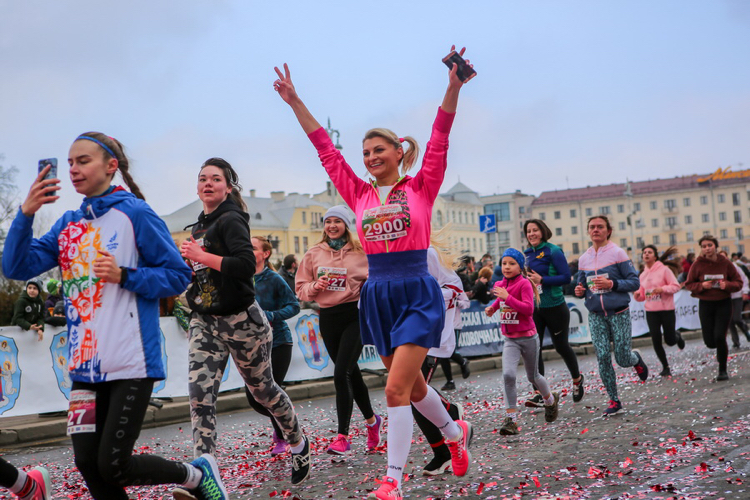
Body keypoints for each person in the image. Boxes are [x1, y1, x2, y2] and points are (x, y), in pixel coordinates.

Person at [274, 46, 473, 500]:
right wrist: (295, 102)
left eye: (377, 150)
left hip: (417, 293)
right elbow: (325, 150)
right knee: (415, 385)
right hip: (378, 295)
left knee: (395, 389)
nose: (369, 157)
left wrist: (452, 87)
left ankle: (393, 480)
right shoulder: (359, 195)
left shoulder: (422, 185)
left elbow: (440, 134)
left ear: (398, 152)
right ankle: (454, 431)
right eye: (364, 152)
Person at [2, 133, 226, 500]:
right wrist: (26, 214)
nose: (74, 168)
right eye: (70, 162)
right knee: (88, 464)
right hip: (84, 367)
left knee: (113, 464)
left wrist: (126, 275)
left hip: (132, 362)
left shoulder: (135, 214)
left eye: (83, 160)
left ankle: (196, 475)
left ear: (111, 166)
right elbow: (15, 266)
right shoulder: (67, 225)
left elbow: (176, 275)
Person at [179, 158, 310, 490]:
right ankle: (203, 473)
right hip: (206, 322)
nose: (208, 183)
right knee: (200, 395)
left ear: (227, 187)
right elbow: (204, 275)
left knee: (263, 390)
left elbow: (244, 264)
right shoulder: (199, 226)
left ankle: (297, 441)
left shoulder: (231, 219)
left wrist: (201, 256)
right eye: (202, 179)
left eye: (215, 179)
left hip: (242, 321)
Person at [296, 205, 382, 459]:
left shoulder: (361, 252)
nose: (332, 226)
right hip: (328, 317)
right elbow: (300, 289)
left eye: (338, 221)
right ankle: (372, 421)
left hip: (355, 315)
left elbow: (377, 279)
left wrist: (369, 285)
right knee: (351, 375)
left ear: (347, 225)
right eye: (328, 222)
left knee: (340, 373)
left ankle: (342, 436)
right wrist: (315, 285)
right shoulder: (313, 254)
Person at [574, 215, 648, 417]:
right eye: (592, 227)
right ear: (588, 231)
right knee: (603, 356)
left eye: (600, 227)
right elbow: (580, 286)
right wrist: (579, 291)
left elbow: (634, 283)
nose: (595, 230)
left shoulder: (618, 253)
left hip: (619, 313)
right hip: (596, 315)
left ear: (608, 231)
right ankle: (614, 400)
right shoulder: (584, 258)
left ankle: (636, 359)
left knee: (622, 357)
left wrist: (612, 284)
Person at [484, 248, 560, 435]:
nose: (507, 267)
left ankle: (550, 401)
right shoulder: (501, 284)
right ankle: (512, 420)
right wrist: (492, 308)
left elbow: (528, 309)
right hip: (510, 340)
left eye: (512, 263)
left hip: (528, 338)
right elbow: (500, 302)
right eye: (504, 263)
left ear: (520, 266)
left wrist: (507, 297)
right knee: (508, 376)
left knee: (533, 377)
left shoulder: (524, 284)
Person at [413, 244, 469, 475]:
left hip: (426, 333)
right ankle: (450, 410)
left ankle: (442, 453)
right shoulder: (385, 253)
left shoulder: (427, 252)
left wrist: (429, 296)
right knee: (411, 393)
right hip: (400, 333)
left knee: (412, 395)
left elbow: (455, 288)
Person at [245, 235, 301, 456]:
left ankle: (283, 437)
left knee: (272, 391)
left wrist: (270, 315)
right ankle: (288, 420)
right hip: (251, 345)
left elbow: (294, 306)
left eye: (252, 248)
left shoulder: (275, 279)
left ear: (265, 254)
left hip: (278, 342)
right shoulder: (242, 279)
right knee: (254, 397)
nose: (247, 251)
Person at [522, 219, 584, 406]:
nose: (531, 234)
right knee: (535, 349)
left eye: (535, 230)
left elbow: (566, 277)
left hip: (556, 307)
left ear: (543, 231)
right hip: (535, 309)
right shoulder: (526, 254)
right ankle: (540, 393)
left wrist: (542, 279)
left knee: (561, 346)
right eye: (528, 231)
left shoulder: (553, 251)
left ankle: (577, 380)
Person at [684, 237, 742, 380]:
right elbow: (689, 284)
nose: (707, 248)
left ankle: (722, 370)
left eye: (710, 245)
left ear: (715, 247)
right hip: (706, 304)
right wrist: (702, 286)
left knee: (719, 337)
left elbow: (738, 282)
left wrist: (727, 285)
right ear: (701, 249)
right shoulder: (697, 264)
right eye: (704, 246)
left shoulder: (725, 263)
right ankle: (717, 349)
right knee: (710, 342)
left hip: (724, 303)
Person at [633, 245, 685, 377]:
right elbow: (643, 294)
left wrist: (663, 289)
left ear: (655, 256)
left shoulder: (664, 270)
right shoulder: (643, 274)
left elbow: (675, 286)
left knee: (670, 340)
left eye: (649, 252)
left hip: (666, 309)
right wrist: (638, 295)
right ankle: (665, 367)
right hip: (651, 311)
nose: (646, 254)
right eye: (644, 252)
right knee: (655, 339)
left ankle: (677, 336)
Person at [721, 250, 750, 348]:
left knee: (737, 318)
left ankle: (746, 332)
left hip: (737, 296)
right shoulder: (717, 269)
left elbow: (744, 279)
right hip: (725, 298)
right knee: (730, 320)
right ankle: (736, 342)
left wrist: (745, 291)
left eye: (724, 257)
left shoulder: (734, 267)